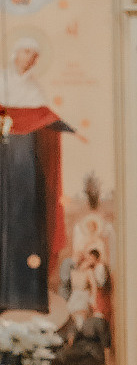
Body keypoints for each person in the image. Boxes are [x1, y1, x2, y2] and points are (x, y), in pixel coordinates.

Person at [0, 38, 74, 315]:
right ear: (15, 53)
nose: (30, 57)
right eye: (26, 51)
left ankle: (28, 297)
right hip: (4, 162)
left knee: (27, 223)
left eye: (35, 54)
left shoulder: (35, 89)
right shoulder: (2, 81)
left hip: (26, 169)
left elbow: (42, 121)